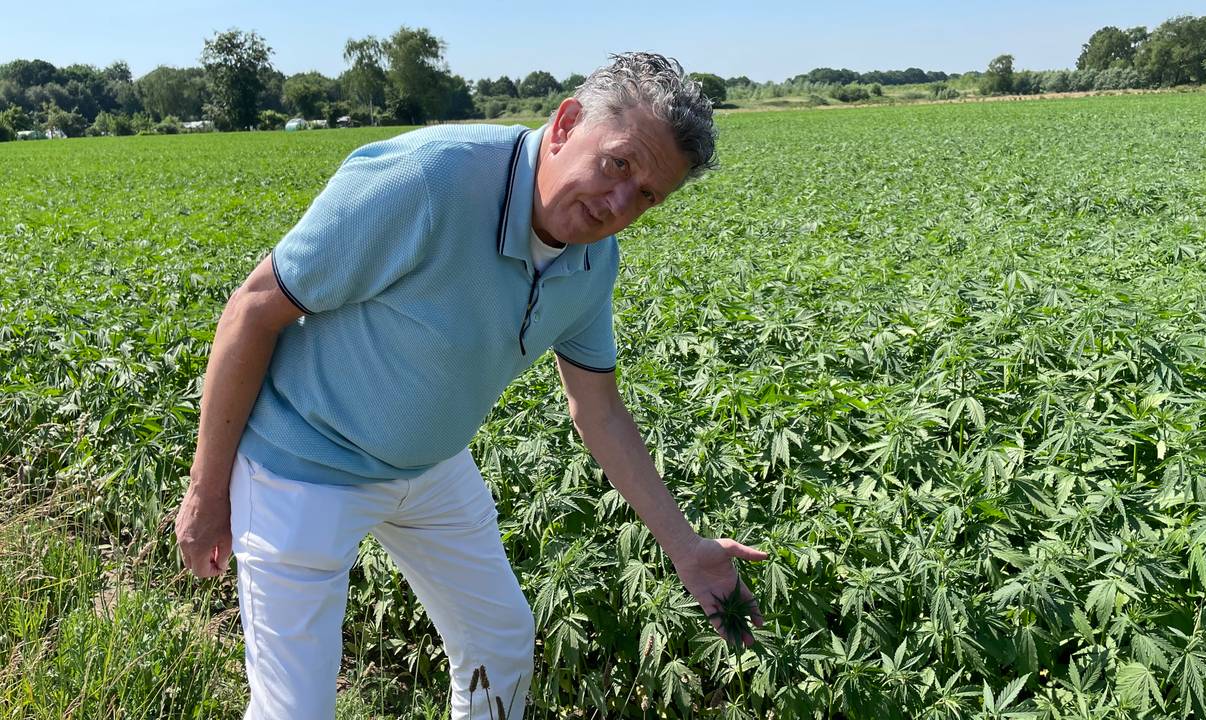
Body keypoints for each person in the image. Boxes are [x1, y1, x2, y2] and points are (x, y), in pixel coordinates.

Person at [174, 52, 767, 720]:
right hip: (304, 467)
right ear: (568, 123)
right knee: (296, 709)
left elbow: (596, 408)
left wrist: (685, 549)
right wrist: (207, 492)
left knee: (500, 643)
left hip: (430, 468)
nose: (617, 205)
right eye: (619, 164)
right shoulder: (431, 180)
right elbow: (253, 308)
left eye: (648, 196)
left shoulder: (592, 261)